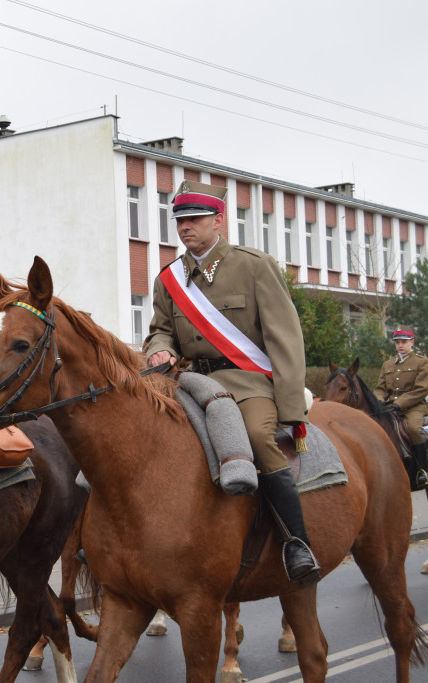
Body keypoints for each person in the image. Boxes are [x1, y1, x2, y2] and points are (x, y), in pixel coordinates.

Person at [143, 179, 321, 586]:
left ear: (218, 220)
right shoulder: (169, 278)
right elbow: (160, 329)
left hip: (249, 381)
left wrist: (291, 408)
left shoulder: (253, 265)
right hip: (189, 381)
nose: (185, 227)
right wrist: (159, 347)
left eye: (194, 219)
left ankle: (296, 542)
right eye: (180, 220)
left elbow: (285, 339)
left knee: (259, 439)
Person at [374, 328, 428, 489]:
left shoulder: (421, 362)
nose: (400, 345)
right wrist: (377, 401)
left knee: (413, 429)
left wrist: (401, 403)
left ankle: (421, 471)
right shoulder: (388, 364)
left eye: (404, 342)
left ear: (411, 342)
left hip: (414, 407)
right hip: (390, 406)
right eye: (398, 342)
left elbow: (421, 389)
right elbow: (381, 389)